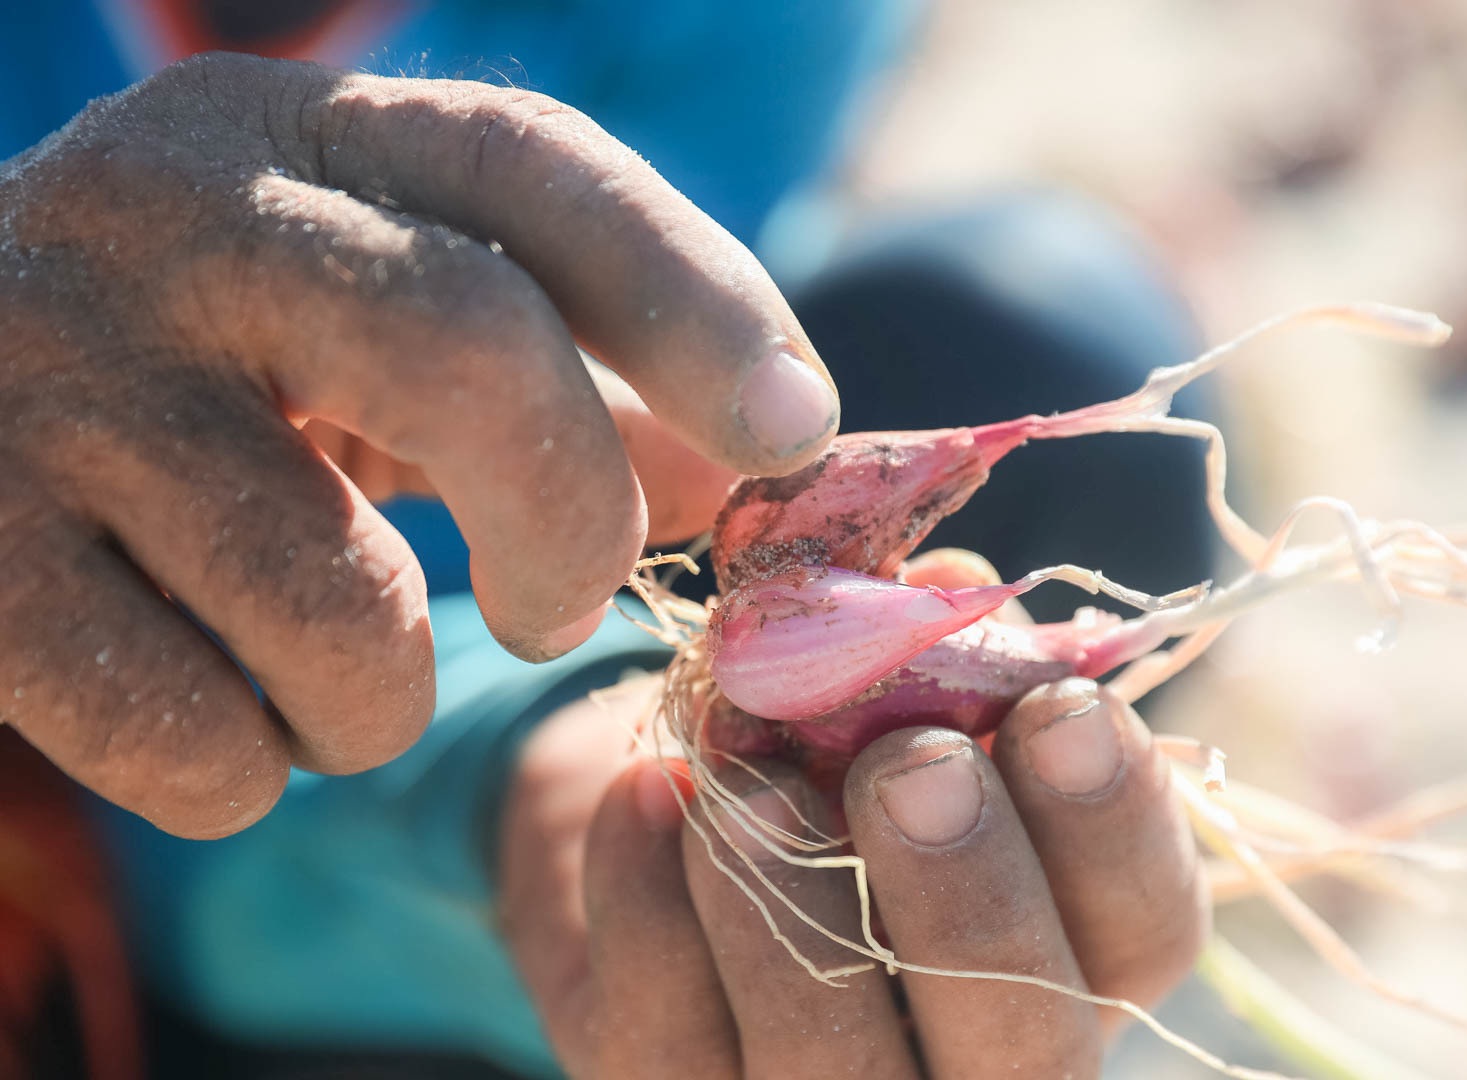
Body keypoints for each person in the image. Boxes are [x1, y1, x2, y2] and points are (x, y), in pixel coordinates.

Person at [1, 5, 1216, 1076]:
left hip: (452, 667)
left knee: (1063, 370)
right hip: (73, 817)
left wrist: (531, 789)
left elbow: (584, 484)